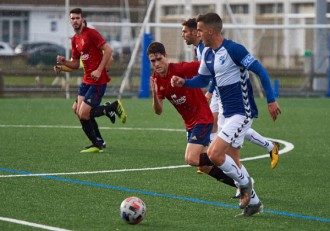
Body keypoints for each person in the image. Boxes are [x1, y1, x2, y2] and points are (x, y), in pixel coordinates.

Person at [172, 12, 282, 217]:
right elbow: (203, 80)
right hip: (226, 113)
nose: (198, 33)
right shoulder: (207, 53)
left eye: (201, 30)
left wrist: (271, 100)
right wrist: (184, 83)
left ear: (211, 32)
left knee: (214, 154)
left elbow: (261, 71)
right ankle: (254, 202)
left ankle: (246, 186)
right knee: (230, 159)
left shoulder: (234, 49)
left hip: (242, 112)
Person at [148, 41, 243, 201]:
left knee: (191, 159)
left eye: (159, 59)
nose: (156, 64)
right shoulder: (156, 79)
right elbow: (158, 111)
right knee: (204, 166)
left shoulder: (181, 69)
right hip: (190, 124)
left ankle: (226, 160)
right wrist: (154, 94)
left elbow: (207, 67)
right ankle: (242, 184)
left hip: (202, 118)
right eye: (152, 61)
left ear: (165, 56)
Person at [181, 17, 280, 170]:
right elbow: (208, 76)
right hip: (222, 98)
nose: (183, 35)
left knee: (221, 129)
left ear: (201, 32)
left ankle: (240, 180)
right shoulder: (204, 50)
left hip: (230, 99)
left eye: (186, 31)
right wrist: (184, 83)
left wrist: (210, 92)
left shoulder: (230, 49)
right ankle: (264, 151)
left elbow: (259, 71)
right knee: (228, 136)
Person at [56, 8, 127, 153]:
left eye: (77, 18)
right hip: (86, 80)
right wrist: (63, 64)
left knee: (83, 113)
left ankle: (111, 109)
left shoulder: (91, 34)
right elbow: (75, 64)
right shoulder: (75, 40)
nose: (75, 21)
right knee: (77, 110)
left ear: (82, 19)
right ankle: (100, 138)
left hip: (98, 81)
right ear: (70, 21)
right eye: (73, 18)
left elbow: (109, 51)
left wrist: (100, 70)